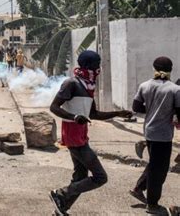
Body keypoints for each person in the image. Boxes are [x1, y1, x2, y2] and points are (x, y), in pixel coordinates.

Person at [48, 50, 133, 215]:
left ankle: (61, 208)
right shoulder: (71, 83)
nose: (99, 67)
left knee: (80, 176)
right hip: (73, 136)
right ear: (88, 65)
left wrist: (118, 113)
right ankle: (61, 193)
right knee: (100, 177)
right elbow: (54, 107)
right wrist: (74, 117)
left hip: (81, 135)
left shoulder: (88, 86)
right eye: (97, 63)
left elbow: (94, 114)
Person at [129, 57, 180, 214]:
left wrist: (151, 110)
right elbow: (179, 112)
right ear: (170, 69)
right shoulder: (174, 89)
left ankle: (139, 188)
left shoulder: (144, 85)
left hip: (149, 132)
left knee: (155, 165)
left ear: (154, 68)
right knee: (159, 171)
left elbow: (136, 106)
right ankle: (152, 204)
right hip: (163, 135)